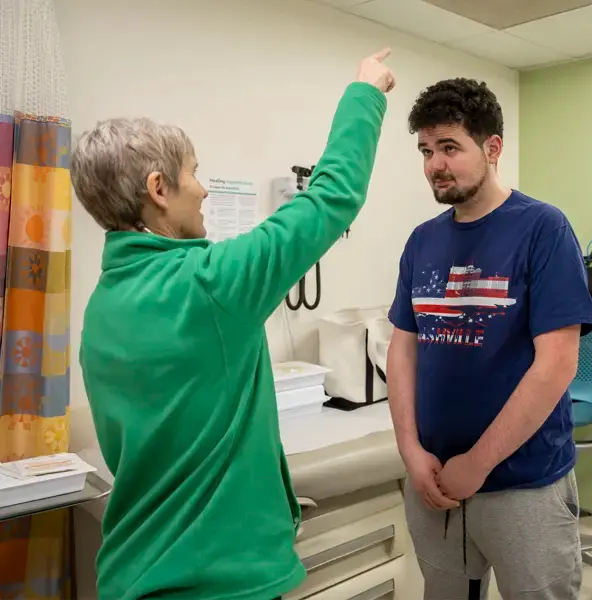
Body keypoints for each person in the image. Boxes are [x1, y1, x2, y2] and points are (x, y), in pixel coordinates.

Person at [73, 50, 395, 600]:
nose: (203, 189)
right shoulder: (209, 283)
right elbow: (332, 196)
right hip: (216, 583)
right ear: (159, 189)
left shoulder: (102, 306)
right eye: (194, 172)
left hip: (131, 573)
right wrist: (366, 92)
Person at [386, 78, 592, 600]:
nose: (435, 164)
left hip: (522, 483)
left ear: (493, 148)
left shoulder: (543, 228)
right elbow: (403, 348)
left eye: (450, 147)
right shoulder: (423, 240)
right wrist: (410, 450)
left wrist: (477, 465)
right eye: (426, 150)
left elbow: (557, 364)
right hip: (434, 481)